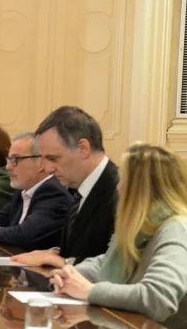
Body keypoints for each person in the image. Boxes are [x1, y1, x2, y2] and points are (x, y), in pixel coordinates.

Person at [50, 144, 187, 329]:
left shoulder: (181, 230)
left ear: (140, 189)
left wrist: (89, 291)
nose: (117, 188)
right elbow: (109, 260)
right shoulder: (148, 226)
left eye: (122, 180)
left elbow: (157, 300)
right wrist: (71, 275)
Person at [11, 106, 118, 268]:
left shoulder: (119, 191)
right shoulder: (78, 185)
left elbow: (118, 264)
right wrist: (54, 252)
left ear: (83, 149)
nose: (47, 169)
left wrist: (63, 262)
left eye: (53, 158)